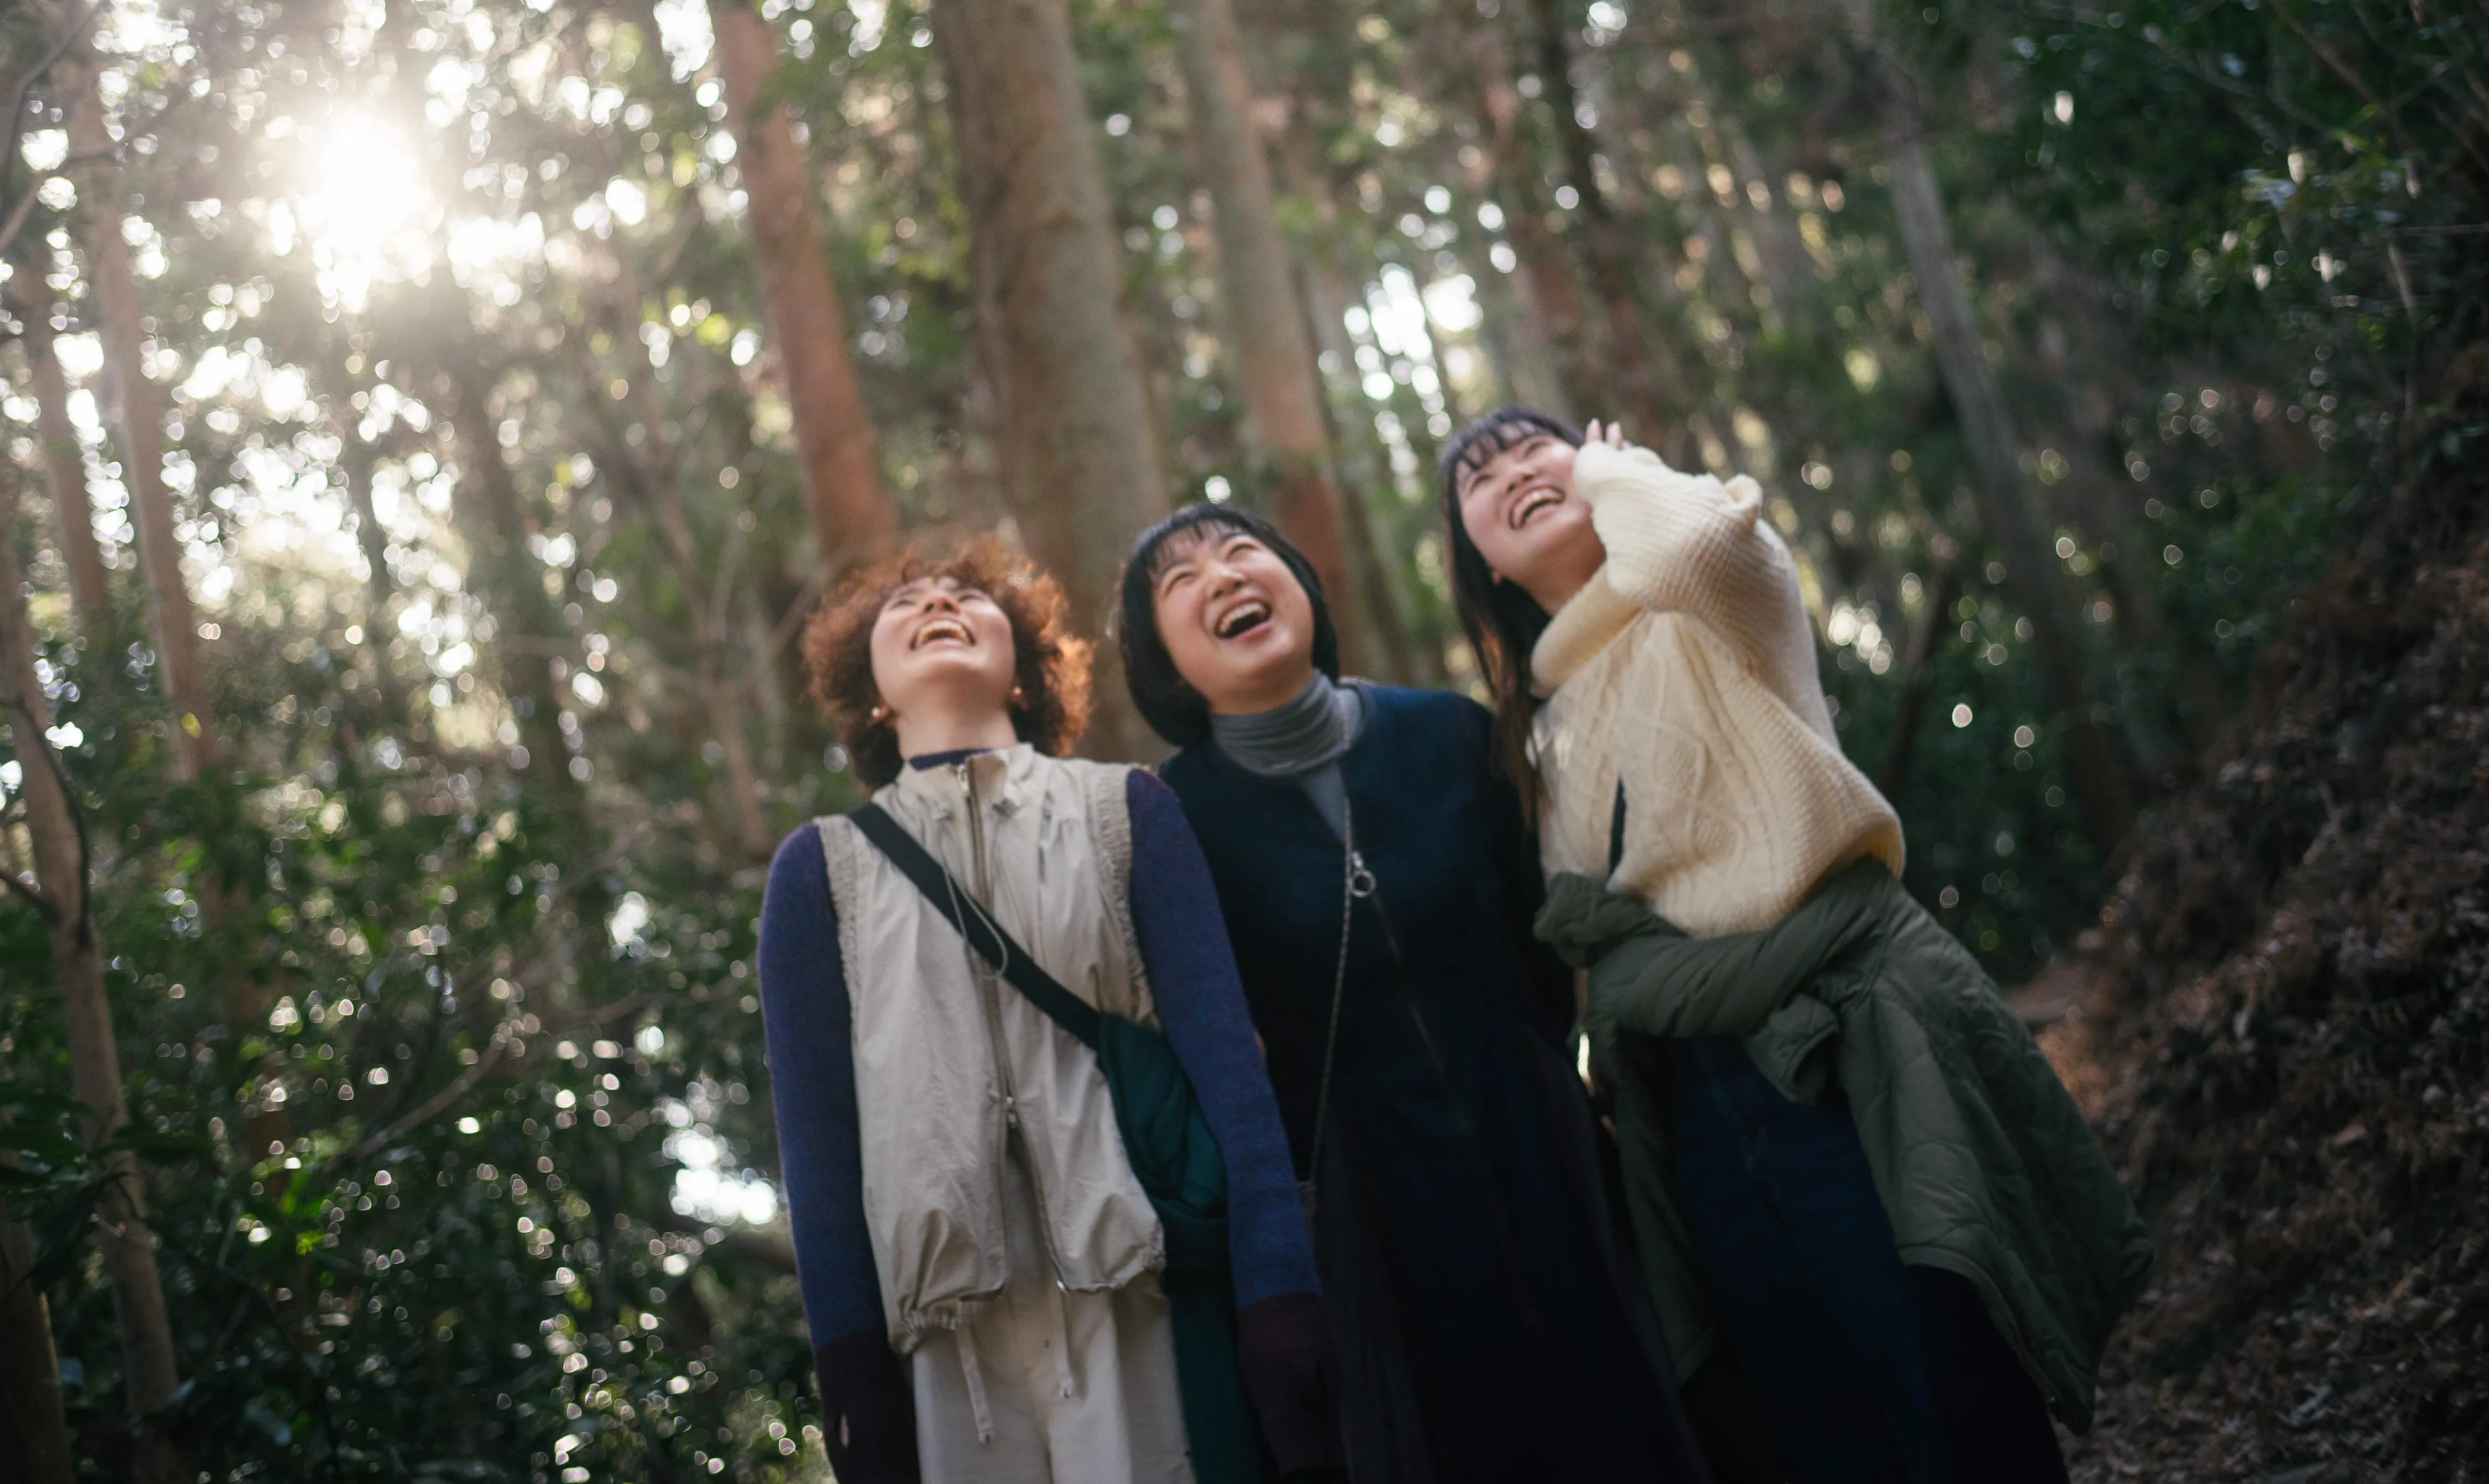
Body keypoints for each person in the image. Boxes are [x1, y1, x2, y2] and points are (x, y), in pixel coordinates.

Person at [1440, 405, 2154, 1484]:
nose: (1510, 473)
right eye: (1477, 477)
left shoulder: (1716, 590)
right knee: (1817, 1428)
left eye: (1534, 446)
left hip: (1834, 1049)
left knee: (1948, 1392)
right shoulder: (1537, 732)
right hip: (1696, 1105)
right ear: (1480, 560)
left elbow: (1691, 545)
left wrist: (1614, 467)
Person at [1116, 502, 1708, 1484]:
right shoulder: (1171, 822)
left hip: (1544, 1146)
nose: (1223, 577)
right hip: (1367, 1211)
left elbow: (1541, 946)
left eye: (1243, 551)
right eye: (1181, 582)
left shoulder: (1451, 733)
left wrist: (1524, 1072)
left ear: (1302, 586)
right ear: (1164, 665)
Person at [758, 535, 1342, 1483]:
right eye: (907, 604)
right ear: (872, 697)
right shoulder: (821, 872)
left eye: (966, 597)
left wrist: (1279, 1290)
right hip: (950, 1355)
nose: (937, 604)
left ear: (1028, 673)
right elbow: (817, 1146)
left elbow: (1230, 1073)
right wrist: (850, 1367)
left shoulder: (1130, 811)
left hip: (1147, 1305)